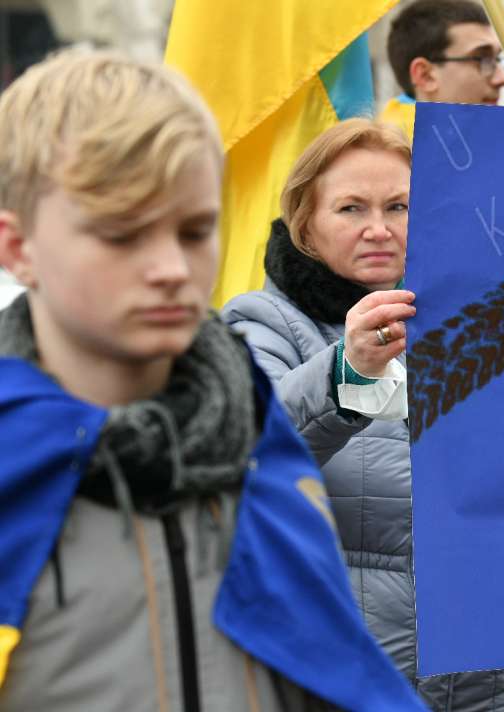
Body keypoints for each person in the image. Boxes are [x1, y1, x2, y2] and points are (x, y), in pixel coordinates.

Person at [0, 50, 424, 711]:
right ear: (18, 248)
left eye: (196, 230)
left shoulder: (256, 436)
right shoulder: (13, 464)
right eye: (122, 234)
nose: (172, 267)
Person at [222, 117, 504, 711]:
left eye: (399, 207)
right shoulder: (261, 323)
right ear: (304, 223)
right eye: (351, 209)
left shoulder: (482, 317)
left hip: (489, 680)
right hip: (350, 682)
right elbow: (247, 451)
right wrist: (347, 373)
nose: (379, 229)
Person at [380, 0, 504, 140]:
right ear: (425, 76)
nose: (502, 78)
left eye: (497, 59)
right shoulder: (400, 151)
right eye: (482, 59)